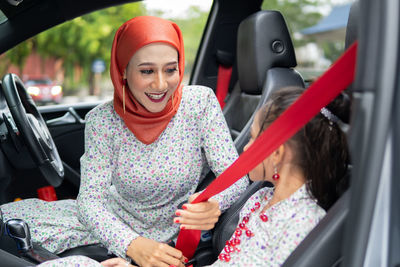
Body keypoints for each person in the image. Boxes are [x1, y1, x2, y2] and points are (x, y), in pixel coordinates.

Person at [1, 16, 249, 267]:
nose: (161, 84)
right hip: (109, 221)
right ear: (123, 71)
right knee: (7, 219)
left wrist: (214, 203)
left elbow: (237, 176)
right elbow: (90, 202)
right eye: (147, 71)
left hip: (169, 237)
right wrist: (131, 244)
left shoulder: (200, 104)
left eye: (171, 69)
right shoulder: (102, 120)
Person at [36, 86, 350, 267]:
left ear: (277, 151)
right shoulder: (261, 198)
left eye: (253, 140)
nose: (246, 149)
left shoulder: (303, 222)